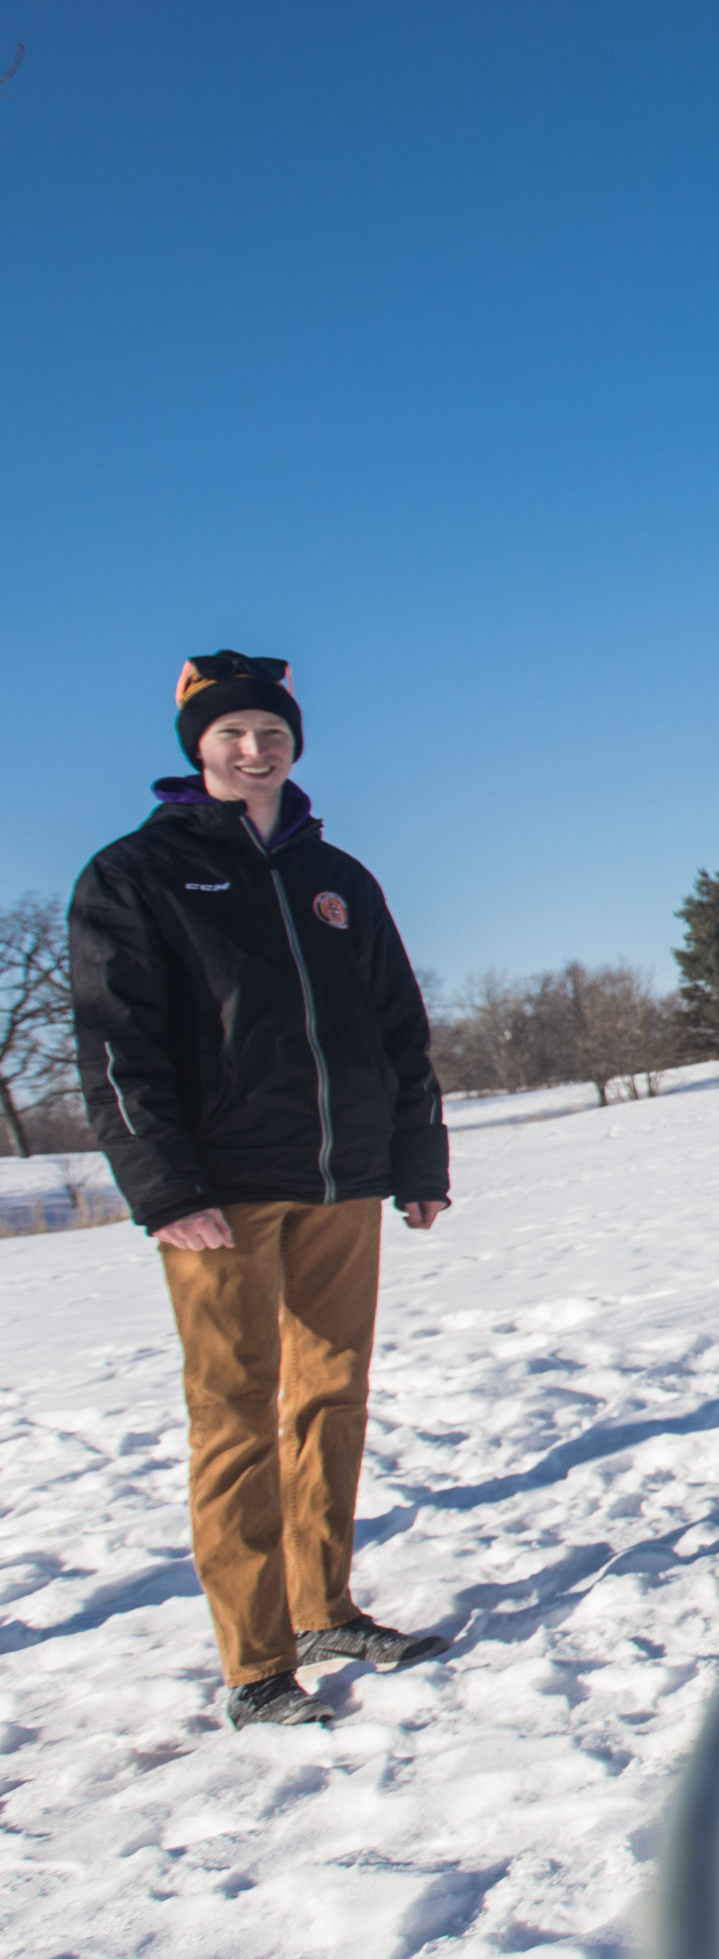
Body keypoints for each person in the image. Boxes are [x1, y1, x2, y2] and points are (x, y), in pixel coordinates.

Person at [69, 653, 453, 1730]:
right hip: (219, 1194)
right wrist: (163, 1187)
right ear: (198, 746)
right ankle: (255, 1663)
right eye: (231, 732)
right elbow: (116, 1048)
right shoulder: (135, 875)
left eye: (270, 730)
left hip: (341, 1179)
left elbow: (396, 1030)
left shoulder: (338, 877)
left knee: (331, 1396)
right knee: (234, 1416)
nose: (254, 748)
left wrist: (416, 1161)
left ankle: (324, 1604)